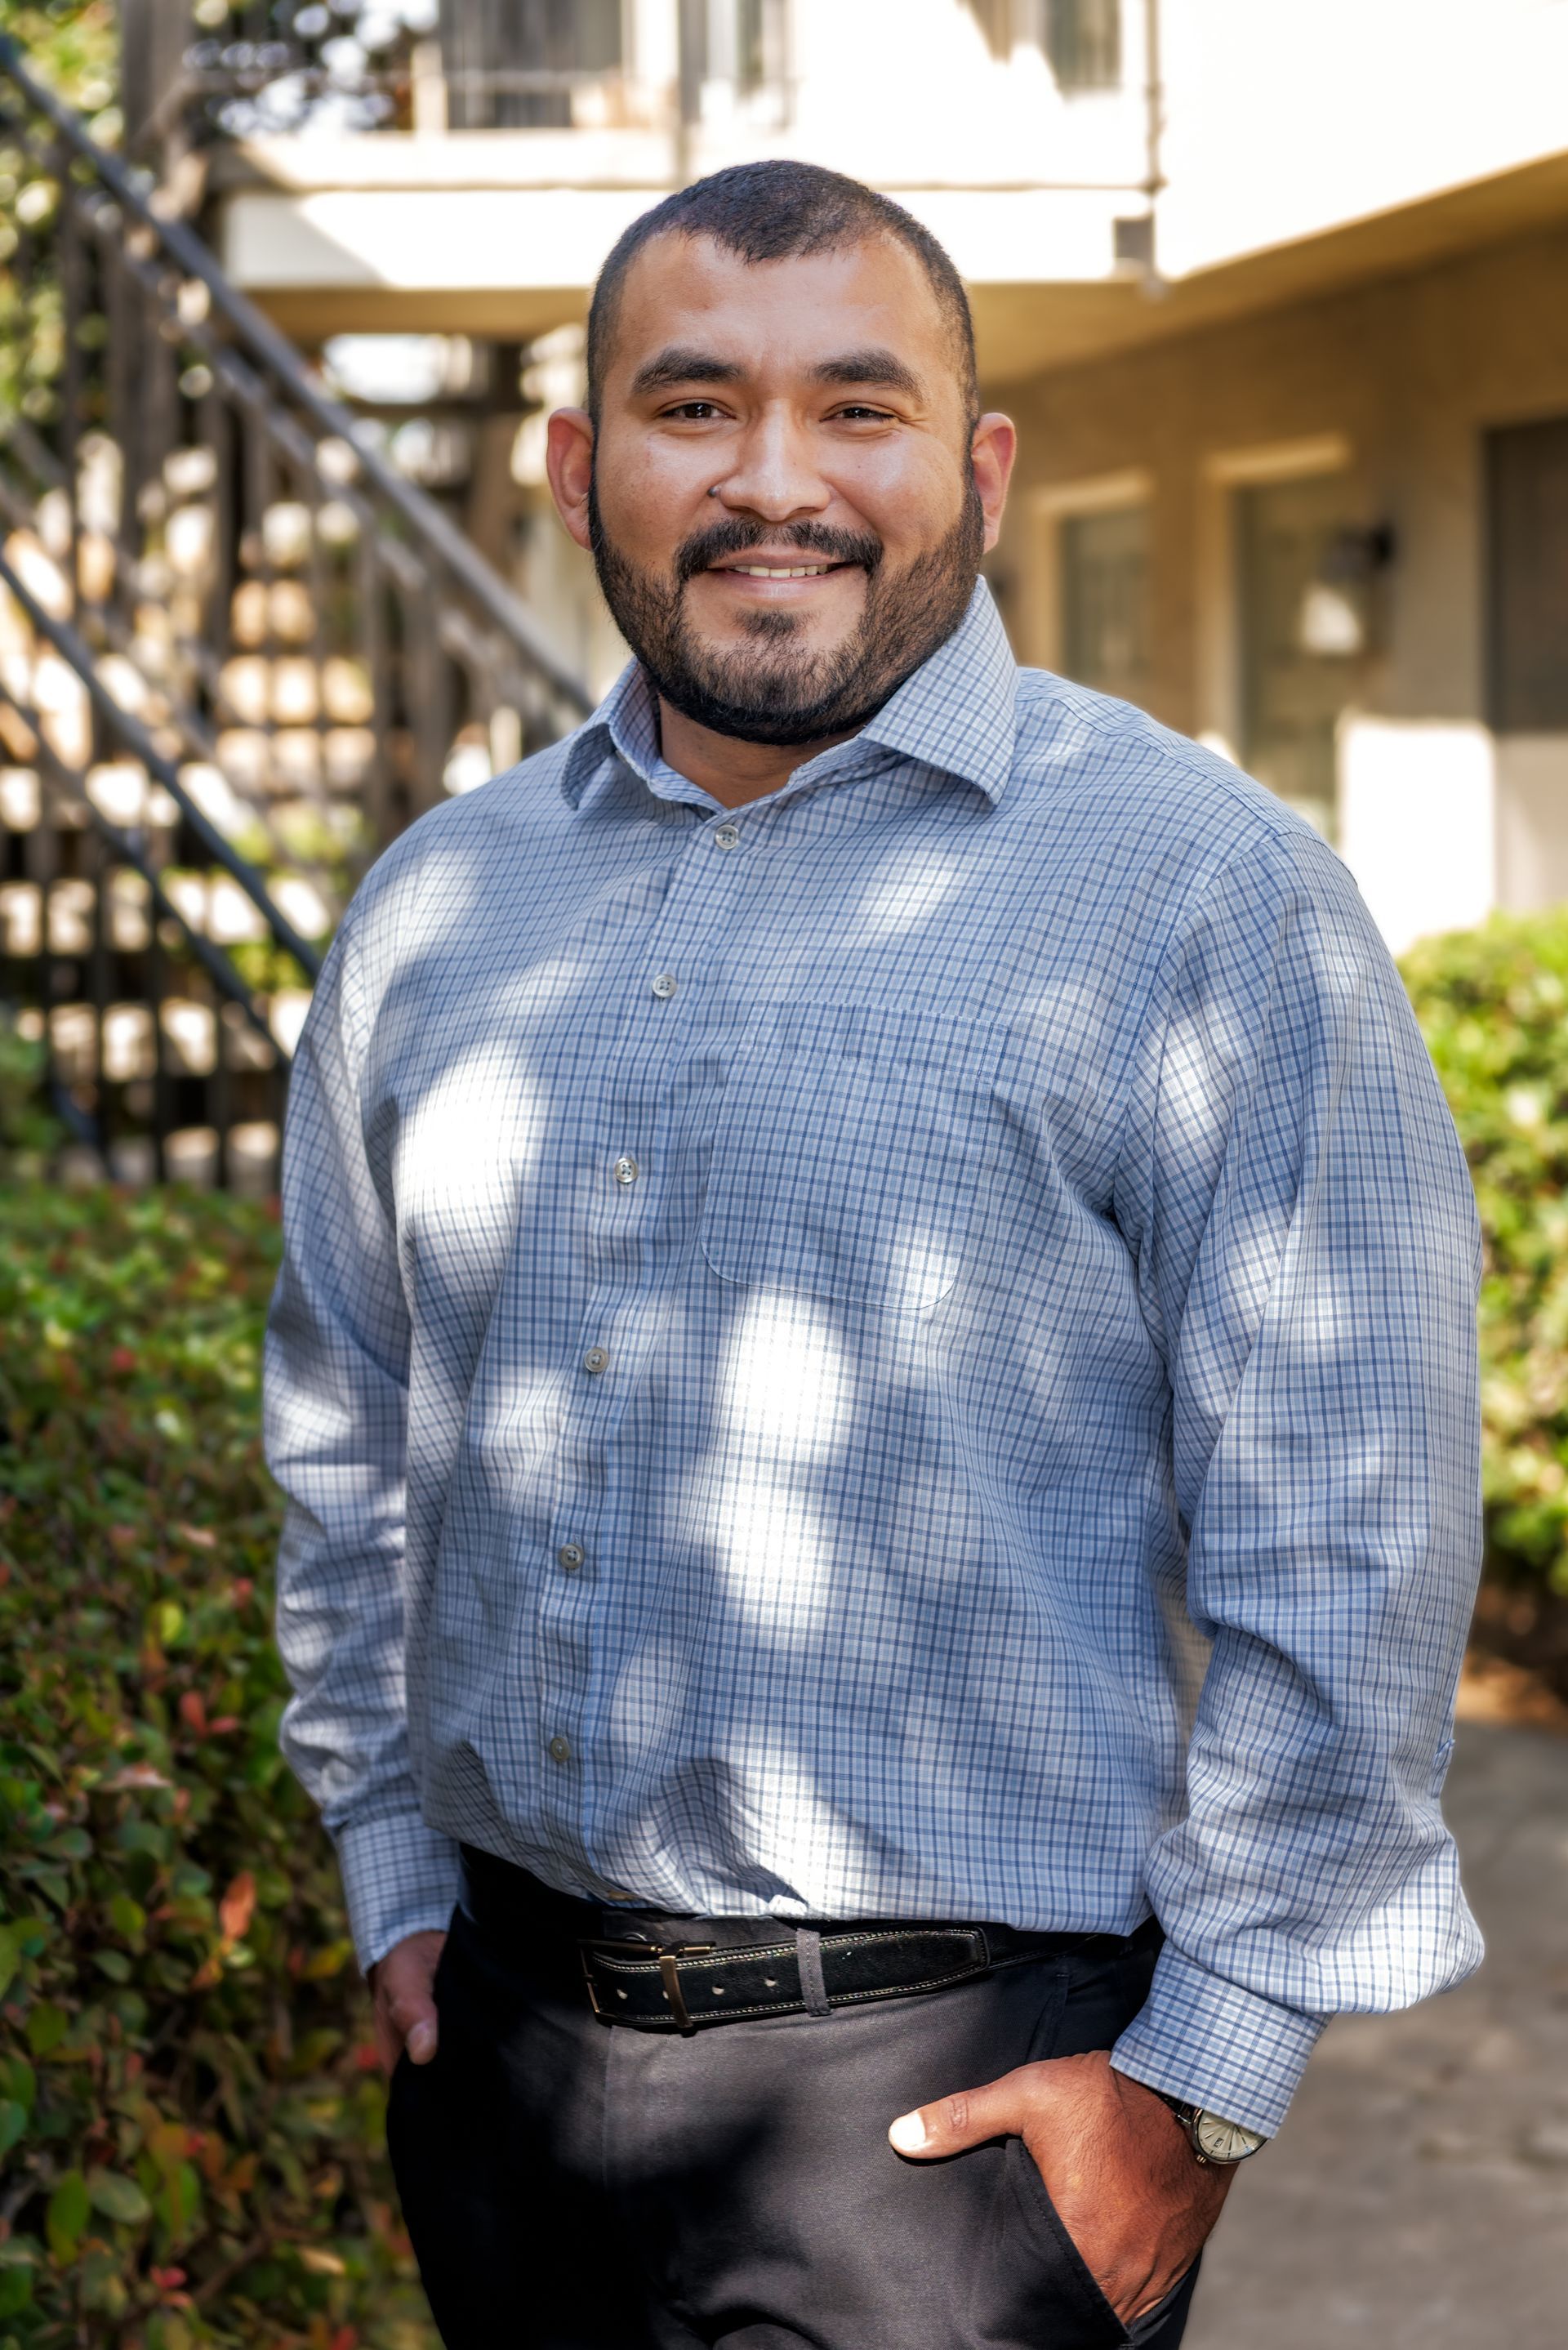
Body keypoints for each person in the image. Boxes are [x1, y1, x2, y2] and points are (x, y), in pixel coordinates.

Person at [265, 161, 1483, 2350]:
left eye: (858, 406)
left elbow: (1352, 1516)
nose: (775, 483)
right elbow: (347, 1419)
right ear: (577, 470)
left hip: (952, 2126)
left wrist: (1201, 2084)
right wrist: (389, 1876)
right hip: (511, 2073)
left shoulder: (1196, 893)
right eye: (693, 405)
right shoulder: (432, 909)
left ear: (979, 468)